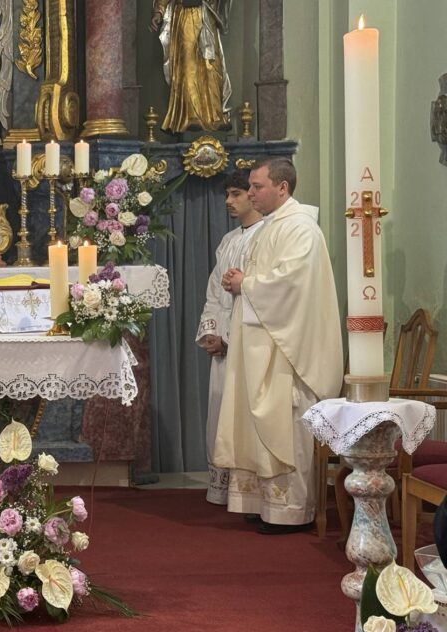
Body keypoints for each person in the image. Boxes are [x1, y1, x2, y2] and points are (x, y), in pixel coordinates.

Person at [213, 158, 343, 534]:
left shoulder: (301, 228)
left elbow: (291, 283)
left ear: (282, 188)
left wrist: (246, 283)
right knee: (258, 424)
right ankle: (262, 503)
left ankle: (292, 511)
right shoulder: (271, 226)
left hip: (288, 351)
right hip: (262, 344)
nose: (251, 193)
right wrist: (240, 280)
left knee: (287, 425)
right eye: (250, 187)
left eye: (257, 186)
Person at [196, 170, 264, 506]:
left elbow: (259, 297)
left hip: (247, 342)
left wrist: (229, 339)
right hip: (222, 342)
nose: (228, 201)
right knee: (220, 413)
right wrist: (211, 332)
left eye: (235, 193)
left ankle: (249, 493)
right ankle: (226, 491)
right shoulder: (228, 240)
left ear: (252, 195)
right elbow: (214, 291)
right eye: (227, 194)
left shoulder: (266, 236)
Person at [149, 0, 232, 133]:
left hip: (207, 15)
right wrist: (159, 11)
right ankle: (191, 115)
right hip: (185, 14)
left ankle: (215, 116)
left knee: (212, 66)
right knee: (188, 66)